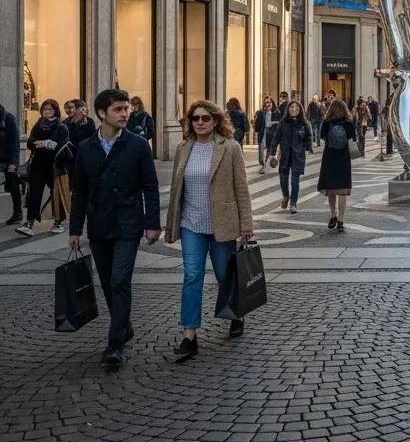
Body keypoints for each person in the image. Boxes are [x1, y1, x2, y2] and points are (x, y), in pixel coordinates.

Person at [69, 88, 161, 369]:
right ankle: (124, 326)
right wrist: (75, 229)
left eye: (126, 109)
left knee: (120, 279)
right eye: (118, 110)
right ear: (101, 114)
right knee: (109, 281)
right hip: (99, 224)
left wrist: (152, 223)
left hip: (127, 223)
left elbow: (150, 185)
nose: (124, 114)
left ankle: (115, 343)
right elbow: (79, 192)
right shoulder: (85, 148)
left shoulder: (137, 145)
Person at [164, 100, 254, 358]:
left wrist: (246, 224)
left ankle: (236, 314)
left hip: (221, 224)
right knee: (192, 277)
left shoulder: (230, 148)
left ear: (215, 121)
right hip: (191, 224)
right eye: (195, 118)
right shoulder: (183, 148)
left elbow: (242, 188)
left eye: (205, 118)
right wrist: (171, 224)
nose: (200, 122)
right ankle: (189, 335)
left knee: (225, 275)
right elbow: (176, 189)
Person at [16, 99, 70, 236]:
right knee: (34, 193)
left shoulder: (61, 126)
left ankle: (58, 221)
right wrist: (37, 143)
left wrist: (48, 144)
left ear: (55, 111)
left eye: (50, 109)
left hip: (55, 166)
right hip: (38, 164)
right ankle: (29, 222)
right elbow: (30, 142)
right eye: (45, 109)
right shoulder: (38, 125)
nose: (47, 111)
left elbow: (63, 145)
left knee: (56, 194)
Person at [269, 99, 313, 214]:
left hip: (298, 155)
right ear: (288, 109)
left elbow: (309, 136)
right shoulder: (283, 122)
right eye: (291, 108)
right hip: (285, 154)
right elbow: (276, 137)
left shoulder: (304, 122)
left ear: (300, 110)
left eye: (297, 108)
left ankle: (293, 203)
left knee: (295, 180)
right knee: (283, 178)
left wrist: (307, 147)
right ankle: (285, 196)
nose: (294, 110)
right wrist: (272, 151)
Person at [317, 99, 355, 231]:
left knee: (331, 189)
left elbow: (322, 137)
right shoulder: (349, 123)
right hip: (343, 158)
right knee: (342, 191)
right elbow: (352, 138)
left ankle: (333, 215)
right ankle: (341, 220)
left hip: (330, 157)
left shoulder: (327, 123)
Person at [1, 102, 21, 227]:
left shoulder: (8, 118)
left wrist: (13, 162)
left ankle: (17, 213)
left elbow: (15, 142)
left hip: (8, 159)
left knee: (13, 186)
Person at [254, 97, 279, 174]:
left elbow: (279, 124)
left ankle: (265, 166)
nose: (268, 104)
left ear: (272, 103)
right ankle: (264, 163)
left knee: (269, 150)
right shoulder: (261, 113)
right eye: (266, 102)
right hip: (263, 134)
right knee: (261, 153)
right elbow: (257, 125)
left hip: (272, 134)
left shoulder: (276, 112)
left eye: (269, 102)